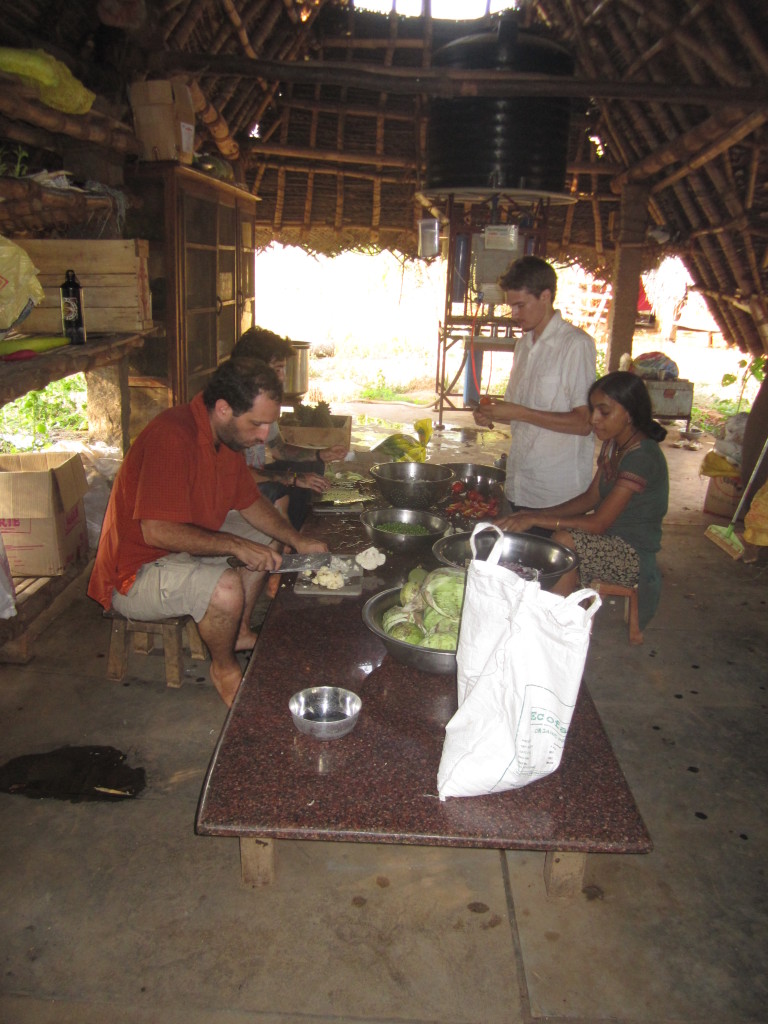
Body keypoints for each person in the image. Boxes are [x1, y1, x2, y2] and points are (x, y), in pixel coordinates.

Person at [87, 357, 328, 708]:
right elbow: (156, 532)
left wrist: (297, 538)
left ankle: (240, 630)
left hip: (176, 546)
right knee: (226, 586)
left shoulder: (226, 439)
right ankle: (224, 667)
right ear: (223, 408)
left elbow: (250, 502)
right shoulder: (171, 436)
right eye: (257, 424)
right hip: (134, 574)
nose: (264, 435)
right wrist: (235, 545)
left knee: (267, 534)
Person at [495, 371, 669, 629]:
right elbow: (590, 498)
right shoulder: (614, 444)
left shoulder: (641, 458)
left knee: (564, 542)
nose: (593, 419)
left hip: (632, 554)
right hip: (610, 539)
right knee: (545, 533)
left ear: (629, 413)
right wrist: (531, 514)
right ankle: (550, 619)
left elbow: (598, 524)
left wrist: (536, 518)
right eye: (593, 410)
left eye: (604, 412)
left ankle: (553, 626)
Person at [472, 256, 597, 509]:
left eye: (520, 305)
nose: (514, 314)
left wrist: (519, 412)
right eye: (511, 306)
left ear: (546, 296)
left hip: (558, 494)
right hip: (521, 482)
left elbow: (584, 423)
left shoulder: (575, 345)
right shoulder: (523, 346)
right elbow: (521, 411)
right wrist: (494, 413)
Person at [231, 327, 349, 530]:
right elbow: (234, 475)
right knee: (289, 488)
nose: (283, 377)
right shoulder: (234, 409)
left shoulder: (263, 402)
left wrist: (321, 454)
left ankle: (300, 532)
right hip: (234, 488)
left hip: (251, 474)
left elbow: (279, 450)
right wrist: (293, 479)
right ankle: (290, 543)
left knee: (313, 469)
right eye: (277, 369)